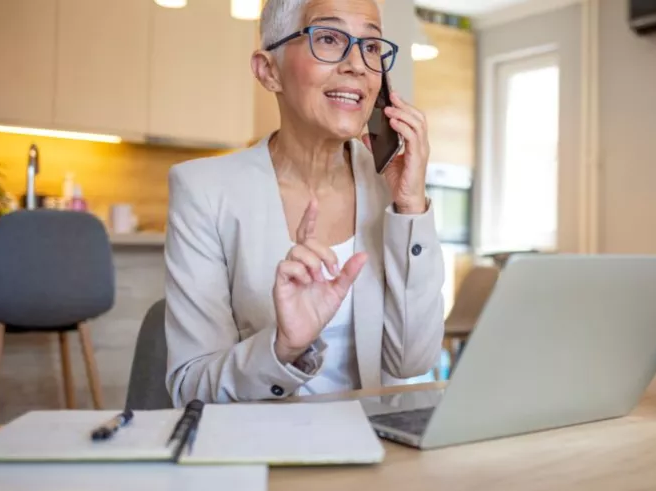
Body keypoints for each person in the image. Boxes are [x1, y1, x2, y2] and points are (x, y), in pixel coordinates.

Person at [163, 0, 445, 406]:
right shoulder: (203, 190)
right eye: (328, 38)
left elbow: (412, 361)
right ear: (268, 70)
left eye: (370, 46)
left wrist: (411, 208)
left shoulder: (393, 187)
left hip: (375, 447)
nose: (357, 65)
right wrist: (284, 348)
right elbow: (190, 387)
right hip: (260, 453)